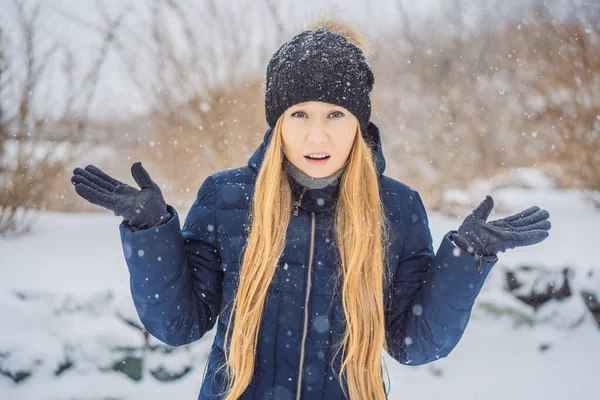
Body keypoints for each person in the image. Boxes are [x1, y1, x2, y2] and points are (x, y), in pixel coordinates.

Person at [70, 18, 551, 400]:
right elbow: (178, 324)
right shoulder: (226, 197)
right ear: (276, 122)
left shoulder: (397, 208)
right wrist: (150, 228)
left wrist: (468, 256)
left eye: (335, 115)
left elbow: (413, 343)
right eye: (298, 114)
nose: (317, 136)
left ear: (358, 125)